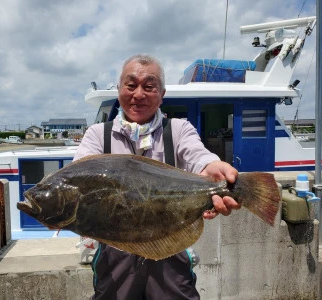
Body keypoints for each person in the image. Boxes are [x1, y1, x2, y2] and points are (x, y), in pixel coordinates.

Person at [73, 54, 241, 300]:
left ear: (162, 94)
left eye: (149, 86)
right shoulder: (98, 135)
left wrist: (211, 166)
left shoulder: (179, 129)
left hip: (170, 250)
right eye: (131, 85)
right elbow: (79, 176)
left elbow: (197, 155)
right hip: (115, 253)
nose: (138, 94)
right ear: (119, 89)